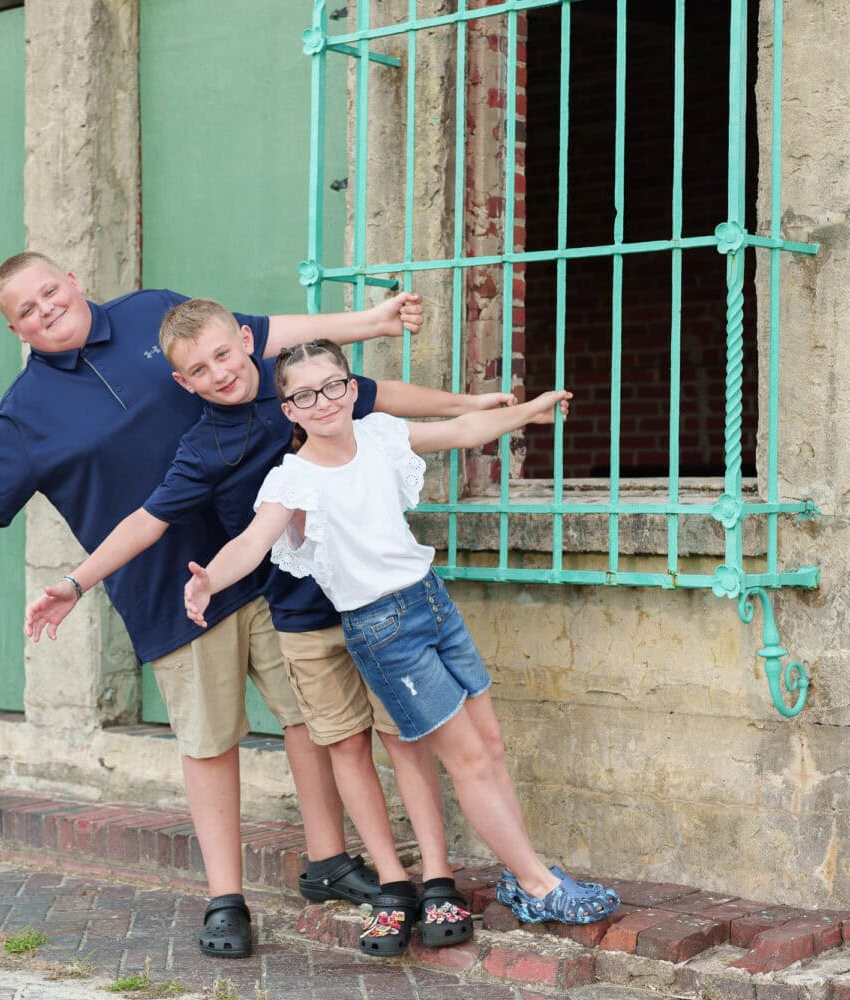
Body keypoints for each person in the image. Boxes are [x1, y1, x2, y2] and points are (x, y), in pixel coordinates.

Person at [0, 253, 422, 960]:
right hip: (167, 593)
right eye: (26, 310)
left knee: (314, 719)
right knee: (209, 743)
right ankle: (225, 898)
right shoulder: (26, 414)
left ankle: (329, 861)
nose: (45, 309)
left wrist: (367, 322)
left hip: (269, 556)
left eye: (49, 291)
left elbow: (260, 333)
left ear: (71, 277)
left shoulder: (152, 312)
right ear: (15, 329)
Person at [25, 298, 514, 956]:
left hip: (381, 605)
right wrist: (77, 581)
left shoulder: (303, 386)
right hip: (305, 621)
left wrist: (467, 404)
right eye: (200, 368)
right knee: (344, 746)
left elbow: (383, 397)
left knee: (405, 741)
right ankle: (394, 886)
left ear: (246, 343)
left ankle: (438, 879)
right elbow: (148, 520)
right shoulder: (204, 447)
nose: (221, 372)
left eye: (226, 354)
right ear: (184, 383)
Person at [181, 339, 621, 950]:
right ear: (288, 409)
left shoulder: (382, 435)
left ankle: (526, 878)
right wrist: (210, 580)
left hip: (431, 601)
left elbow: (467, 429)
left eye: (334, 385)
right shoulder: (293, 479)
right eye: (304, 394)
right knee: (465, 758)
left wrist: (529, 409)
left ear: (350, 387)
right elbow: (253, 543)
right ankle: (538, 883)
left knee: (489, 746)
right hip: (383, 631)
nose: (324, 401)